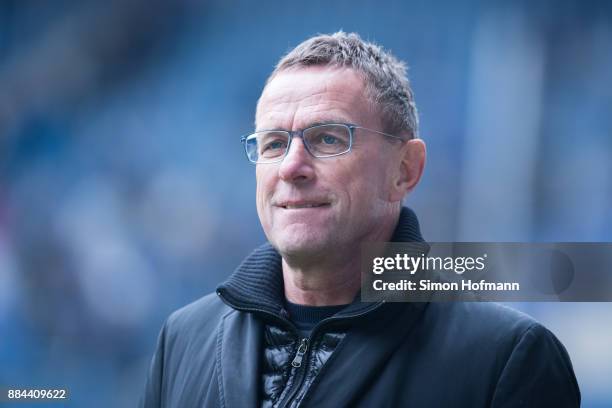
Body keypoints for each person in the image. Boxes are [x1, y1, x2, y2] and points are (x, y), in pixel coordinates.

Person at [141, 32, 580, 407]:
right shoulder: (182, 340)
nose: (291, 167)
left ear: (405, 170)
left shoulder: (505, 358)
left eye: (328, 138)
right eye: (274, 143)